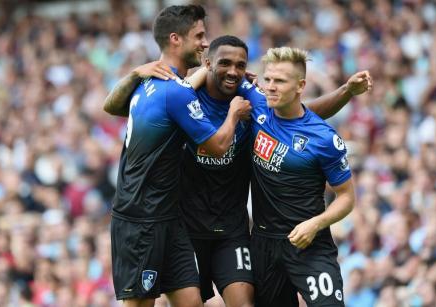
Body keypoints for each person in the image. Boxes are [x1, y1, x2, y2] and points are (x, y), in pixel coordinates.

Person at [106, 34, 371, 306]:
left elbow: (302, 116)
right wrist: (141, 75)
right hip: (202, 230)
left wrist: (346, 91)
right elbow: (114, 107)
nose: (233, 71)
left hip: (255, 235)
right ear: (208, 63)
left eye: (240, 65)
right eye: (268, 80)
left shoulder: (265, 109)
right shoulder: (189, 99)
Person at [103, 6, 251, 307]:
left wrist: (134, 73)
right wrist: (234, 114)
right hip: (140, 218)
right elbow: (218, 145)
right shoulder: (175, 92)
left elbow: (111, 106)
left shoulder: (149, 83)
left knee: (191, 302)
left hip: (169, 217)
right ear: (175, 39)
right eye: (198, 36)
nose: (204, 42)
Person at [237, 47, 356, 306]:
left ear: (300, 85)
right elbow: (217, 71)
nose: (271, 87)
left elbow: (347, 197)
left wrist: (316, 224)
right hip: (264, 243)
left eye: (280, 81)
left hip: (309, 243)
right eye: (267, 79)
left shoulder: (324, 138)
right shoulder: (258, 104)